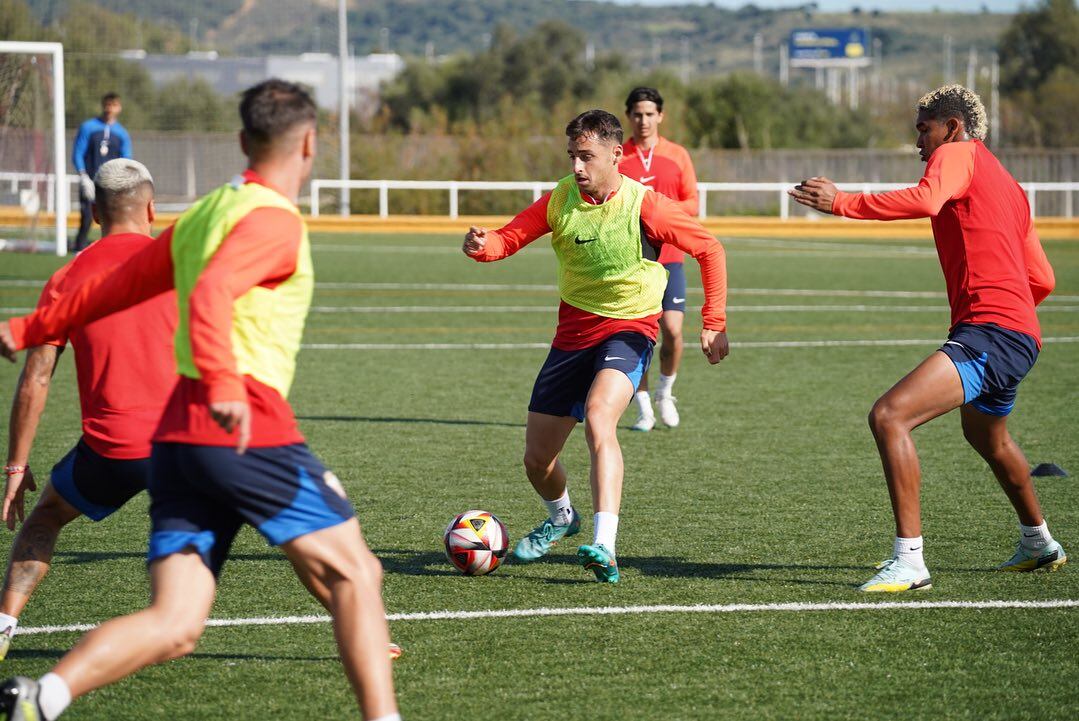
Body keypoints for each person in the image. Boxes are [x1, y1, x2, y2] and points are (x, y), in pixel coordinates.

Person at [0, 79, 399, 721]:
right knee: (358, 575)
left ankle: (44, 695)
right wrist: (220, 383)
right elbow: (212, 290)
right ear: (311, 144)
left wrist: (26, 327)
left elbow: (118, 281)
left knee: (176, 623)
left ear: (242, 141)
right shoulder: (274, 221)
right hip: (240, 421)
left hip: (177, 439)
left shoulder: (211, 210)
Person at [789, 84, 1065, 592]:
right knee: (988, 437)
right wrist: (1010, 316)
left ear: (953, 127)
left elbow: (928, 198)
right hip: (1019, 335)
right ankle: (1039, 541)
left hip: (992, 332)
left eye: (924, 129)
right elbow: (1043, 278)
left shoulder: (958, 153)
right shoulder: (1010, 185)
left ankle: (911, 561)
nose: (919, 142)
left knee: (890, 415)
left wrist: (844, 201)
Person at [462, 109, 728, 583]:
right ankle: (563, 518)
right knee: (537, 460)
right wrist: (483, 245)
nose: (577, 167)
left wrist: (714, 321)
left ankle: (605, 543)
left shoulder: (645, 205)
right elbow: (508, 239)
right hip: (571, 338)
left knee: (600, 417)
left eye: (586, 157)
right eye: (572, 157)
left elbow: (709, 248)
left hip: (629, 330)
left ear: (615, 155)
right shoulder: (559, 199)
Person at [0, 159, 175, 663]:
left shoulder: (68, 277)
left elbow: (35, 378)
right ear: (151, 207)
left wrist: (16, 466)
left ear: (95, 213)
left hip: (112, 450)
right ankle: (355, 622)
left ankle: (4, 624)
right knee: (280, 516)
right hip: (186, 444)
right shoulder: (178, 265)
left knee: (47, 516)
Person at [618, 87, 700, 432]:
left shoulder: (677, 155)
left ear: (660, 116)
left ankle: (666, 393)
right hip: (631, 260)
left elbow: (693, 204)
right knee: (639, 334)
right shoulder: (618, 156)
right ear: (629, 117)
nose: (644, 120)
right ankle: (643, 408)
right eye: (637, 114)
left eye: (650, 114)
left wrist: (658, 213)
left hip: (670, 256)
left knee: (672, 329)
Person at [71, 93, 132, 253]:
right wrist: (83, 176)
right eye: (107, 104)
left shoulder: (121, 134)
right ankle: (79, 246)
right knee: (87, 215)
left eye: (113, 105)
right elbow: (78, 153)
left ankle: (111, 247)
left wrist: (121, 181)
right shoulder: (88, 127)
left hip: (111, 182)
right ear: (102, 105)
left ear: (119, 108)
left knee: (113, 216)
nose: (109, 109)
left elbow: (126, 159)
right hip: (90, 180)